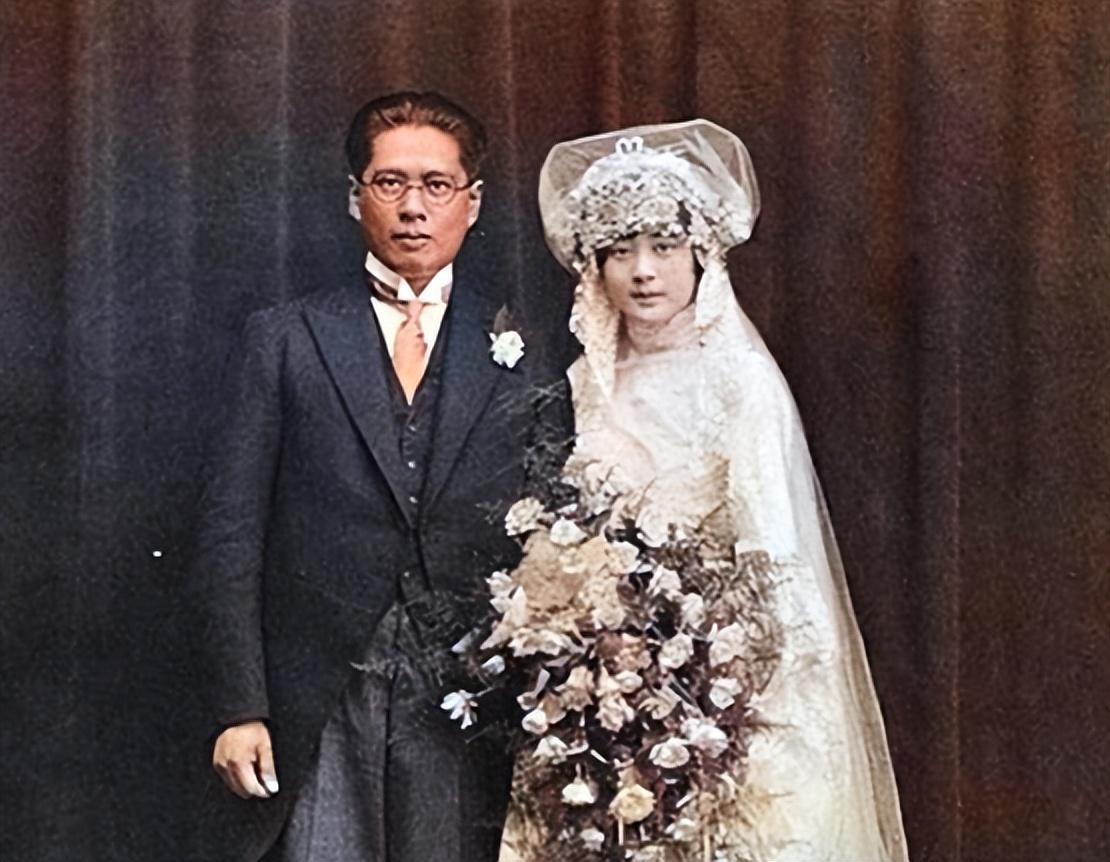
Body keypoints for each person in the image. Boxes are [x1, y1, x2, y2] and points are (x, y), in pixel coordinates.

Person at [500, 121, 909, 860]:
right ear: (594, 267)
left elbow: (774, 557)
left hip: (726, 681)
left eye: (664, 247)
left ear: (700, 255)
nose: (643, 272)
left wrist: (714, 675)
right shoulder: (582, 386)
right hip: (604, 685)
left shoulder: (738, 382)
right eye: (619, 251)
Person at [192, 91, 571, 862]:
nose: (413, 208)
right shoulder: (286, 338)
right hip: (320, 697)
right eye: (390, 182)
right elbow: (230, 535)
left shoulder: (525, 350)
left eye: (436, 185)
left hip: (465, 700)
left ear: (471, 203)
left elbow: (554, 533)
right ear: (354, 197)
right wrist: (241, 707)